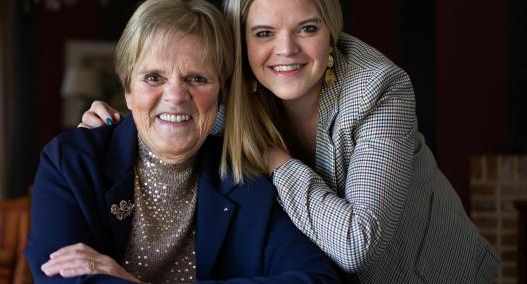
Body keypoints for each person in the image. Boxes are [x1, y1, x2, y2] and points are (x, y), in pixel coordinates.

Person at [78, 0, 499, 282]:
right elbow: (174, 118)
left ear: (330, 31)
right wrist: (115, 127)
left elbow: (358, 244)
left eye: (307, 28)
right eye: (263, 33)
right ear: (241, 39)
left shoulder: (378, 89)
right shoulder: (235, 92)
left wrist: (275, 159)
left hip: (428, 274)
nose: (286, 50)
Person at [25, 0, 340, 283]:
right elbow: (60, 278)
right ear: (128, 91)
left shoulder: (247, 179)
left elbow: (316, 280)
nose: (175, 96)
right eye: (153, 78)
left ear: (220, 95)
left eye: (197, 79)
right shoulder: (70, 163)